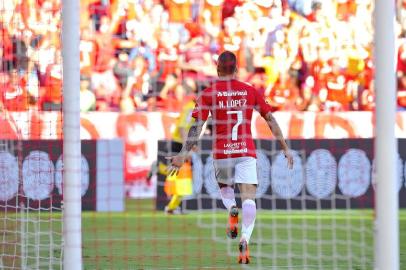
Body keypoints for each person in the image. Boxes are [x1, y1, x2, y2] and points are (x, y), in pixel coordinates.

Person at [167, 51, 293, 264]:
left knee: (225, 188)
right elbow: (270, 118)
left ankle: (231, 208)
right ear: (236, 70)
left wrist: (182, 154)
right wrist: (285, 147)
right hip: (245, 152)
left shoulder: (208, 93)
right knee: (250, 198)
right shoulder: (250, 91)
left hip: (222, 152)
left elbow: (197, 127)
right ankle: (245, 238)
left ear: (217, 70)